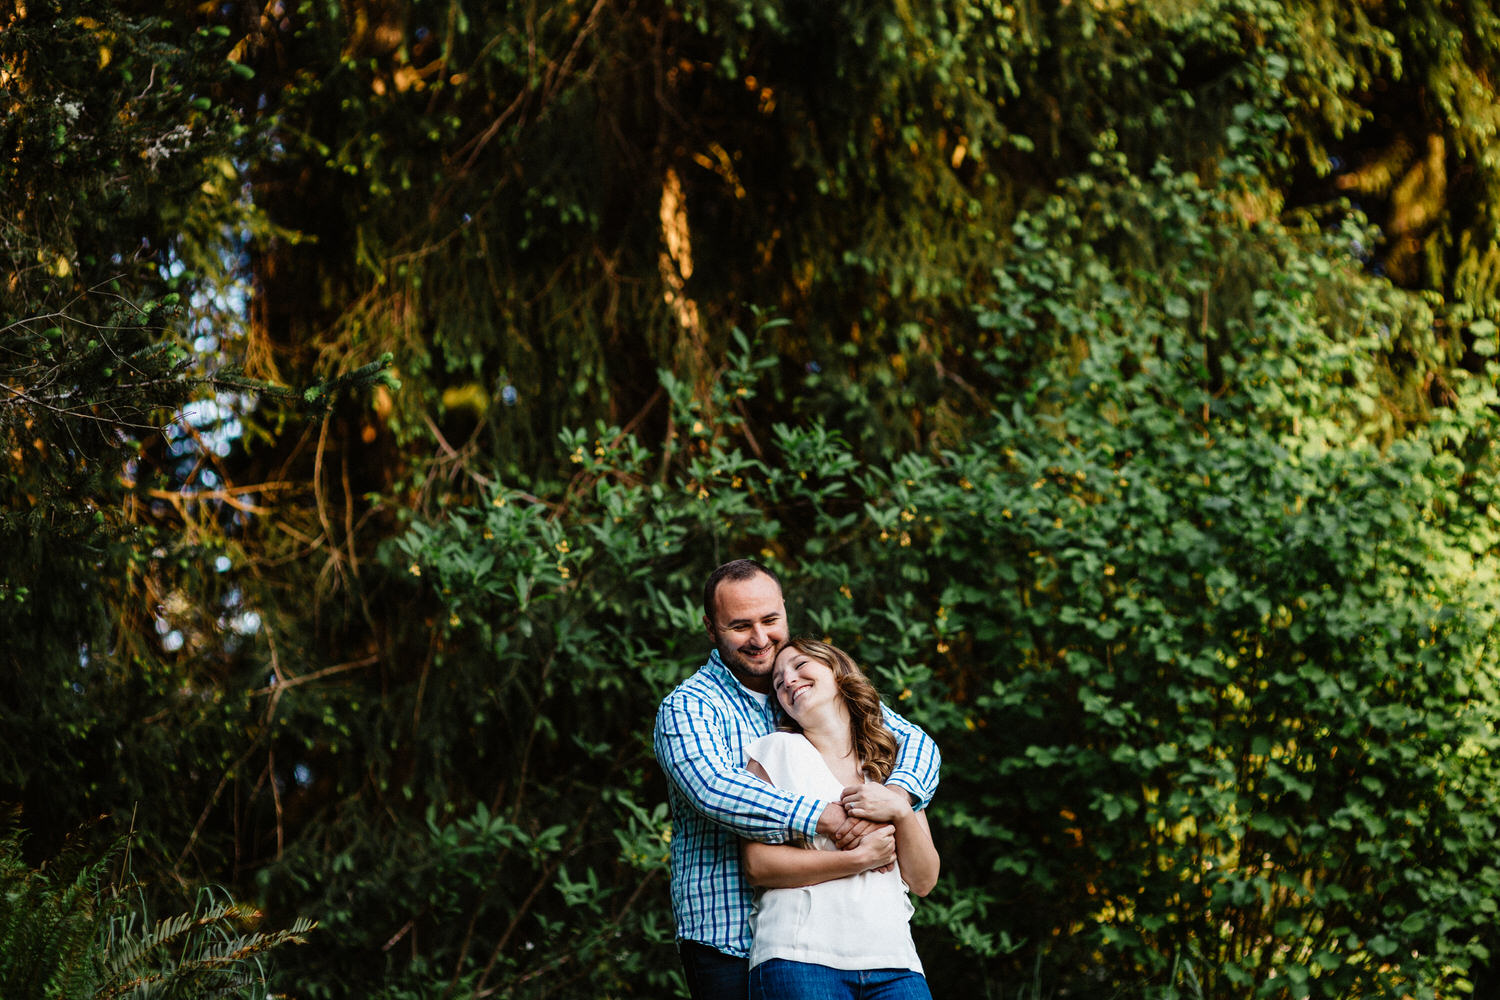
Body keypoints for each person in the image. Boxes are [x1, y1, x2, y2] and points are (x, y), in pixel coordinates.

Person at [654, 559, 941, 1000]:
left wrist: (892, 799)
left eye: (771, 620)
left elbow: (914, 743)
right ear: (711, 629)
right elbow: (715, 789)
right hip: (727, 932)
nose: (760, 638)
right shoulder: (690, 706)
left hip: (855, 941)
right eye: (739, 626)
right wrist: (830, 818)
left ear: (785, 610)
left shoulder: (812, 692)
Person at [740, 638, 939, 1000]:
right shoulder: (773, 752)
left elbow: (924, 880)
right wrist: (858, 859)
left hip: (895, 963)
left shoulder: (890, 766)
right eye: (779, 681)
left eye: (800, 666)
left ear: (837, 671)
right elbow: (758, 865)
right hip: (798, 958)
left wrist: (898, 811)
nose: (787, 679)